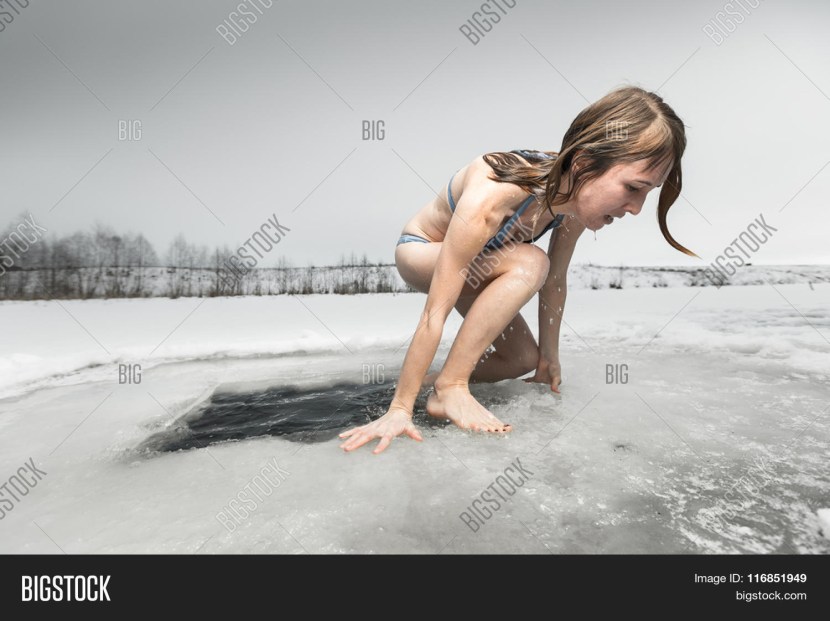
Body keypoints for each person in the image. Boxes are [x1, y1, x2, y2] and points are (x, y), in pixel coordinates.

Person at [340, 85, 696, 455]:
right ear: (584, 163)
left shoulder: (573, 200)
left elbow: (555, 283)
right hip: (423, 253)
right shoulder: (494, 196)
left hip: (487, 262)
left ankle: (432, 382)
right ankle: (449, 388)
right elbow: (436, 311)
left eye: (647, 194)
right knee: (530, 260)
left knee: (520, 359)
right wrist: (398, 410)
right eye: (633, 187)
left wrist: (548, 359)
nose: (636, 208)